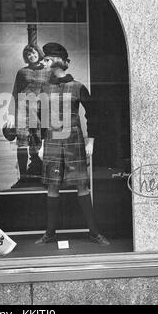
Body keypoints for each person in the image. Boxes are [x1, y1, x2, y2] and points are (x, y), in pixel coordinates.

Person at [36, 42, 110, 246]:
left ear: (58, 60)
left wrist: (91, 140)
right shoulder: (44, 87)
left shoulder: (78, 87)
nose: (44, 62)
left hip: (73, 141)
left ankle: (94, 232)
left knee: (81, 185)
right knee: (52, 186)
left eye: (47, 58)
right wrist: (42, 143)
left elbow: (94, 114)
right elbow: (41, 117)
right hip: (51, 140)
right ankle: (50, 233)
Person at [7, 45, 51, 188]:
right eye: (28, 54)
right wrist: (11, 115)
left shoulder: (48, 72)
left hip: (40, 111)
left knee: (38, 142)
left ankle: (38, 175)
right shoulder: (22, 72)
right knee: (22, 143)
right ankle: (23, 177)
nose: (32, 56)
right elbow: (15, 93)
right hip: (23, 109)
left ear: (38, 53)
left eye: (33, 53)